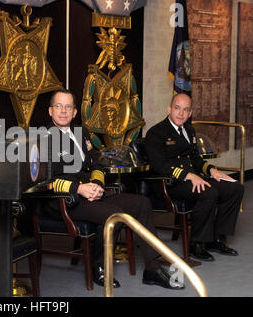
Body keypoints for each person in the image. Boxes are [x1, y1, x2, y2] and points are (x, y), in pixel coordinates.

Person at [44, 89, 184, 290]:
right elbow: (47, 181)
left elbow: (96, 164)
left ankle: (152, 269)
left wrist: (98, 185)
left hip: (91, 193)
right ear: (50, 111)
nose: (63, 111)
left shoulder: (81, 133)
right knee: (115, 215)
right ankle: (98, 267)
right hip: (66, 200)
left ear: (75, 112)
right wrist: (80, 188)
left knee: (141, 203)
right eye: (59, 106)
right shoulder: (41, 138)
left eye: (68, 106)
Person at [144, 93, 244, 262]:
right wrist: (187, 175)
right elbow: (158, 165)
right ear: (169, 109)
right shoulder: (156, 132)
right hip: (170, 182)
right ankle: (196, 244)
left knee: (235, 188)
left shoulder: (189, 130)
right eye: (177, 108)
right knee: (209, 192)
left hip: (191, 178)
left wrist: (211, 169)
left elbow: (195, 159)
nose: (181, 113)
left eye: (185, 110)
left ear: (190, 113)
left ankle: (216, 239)